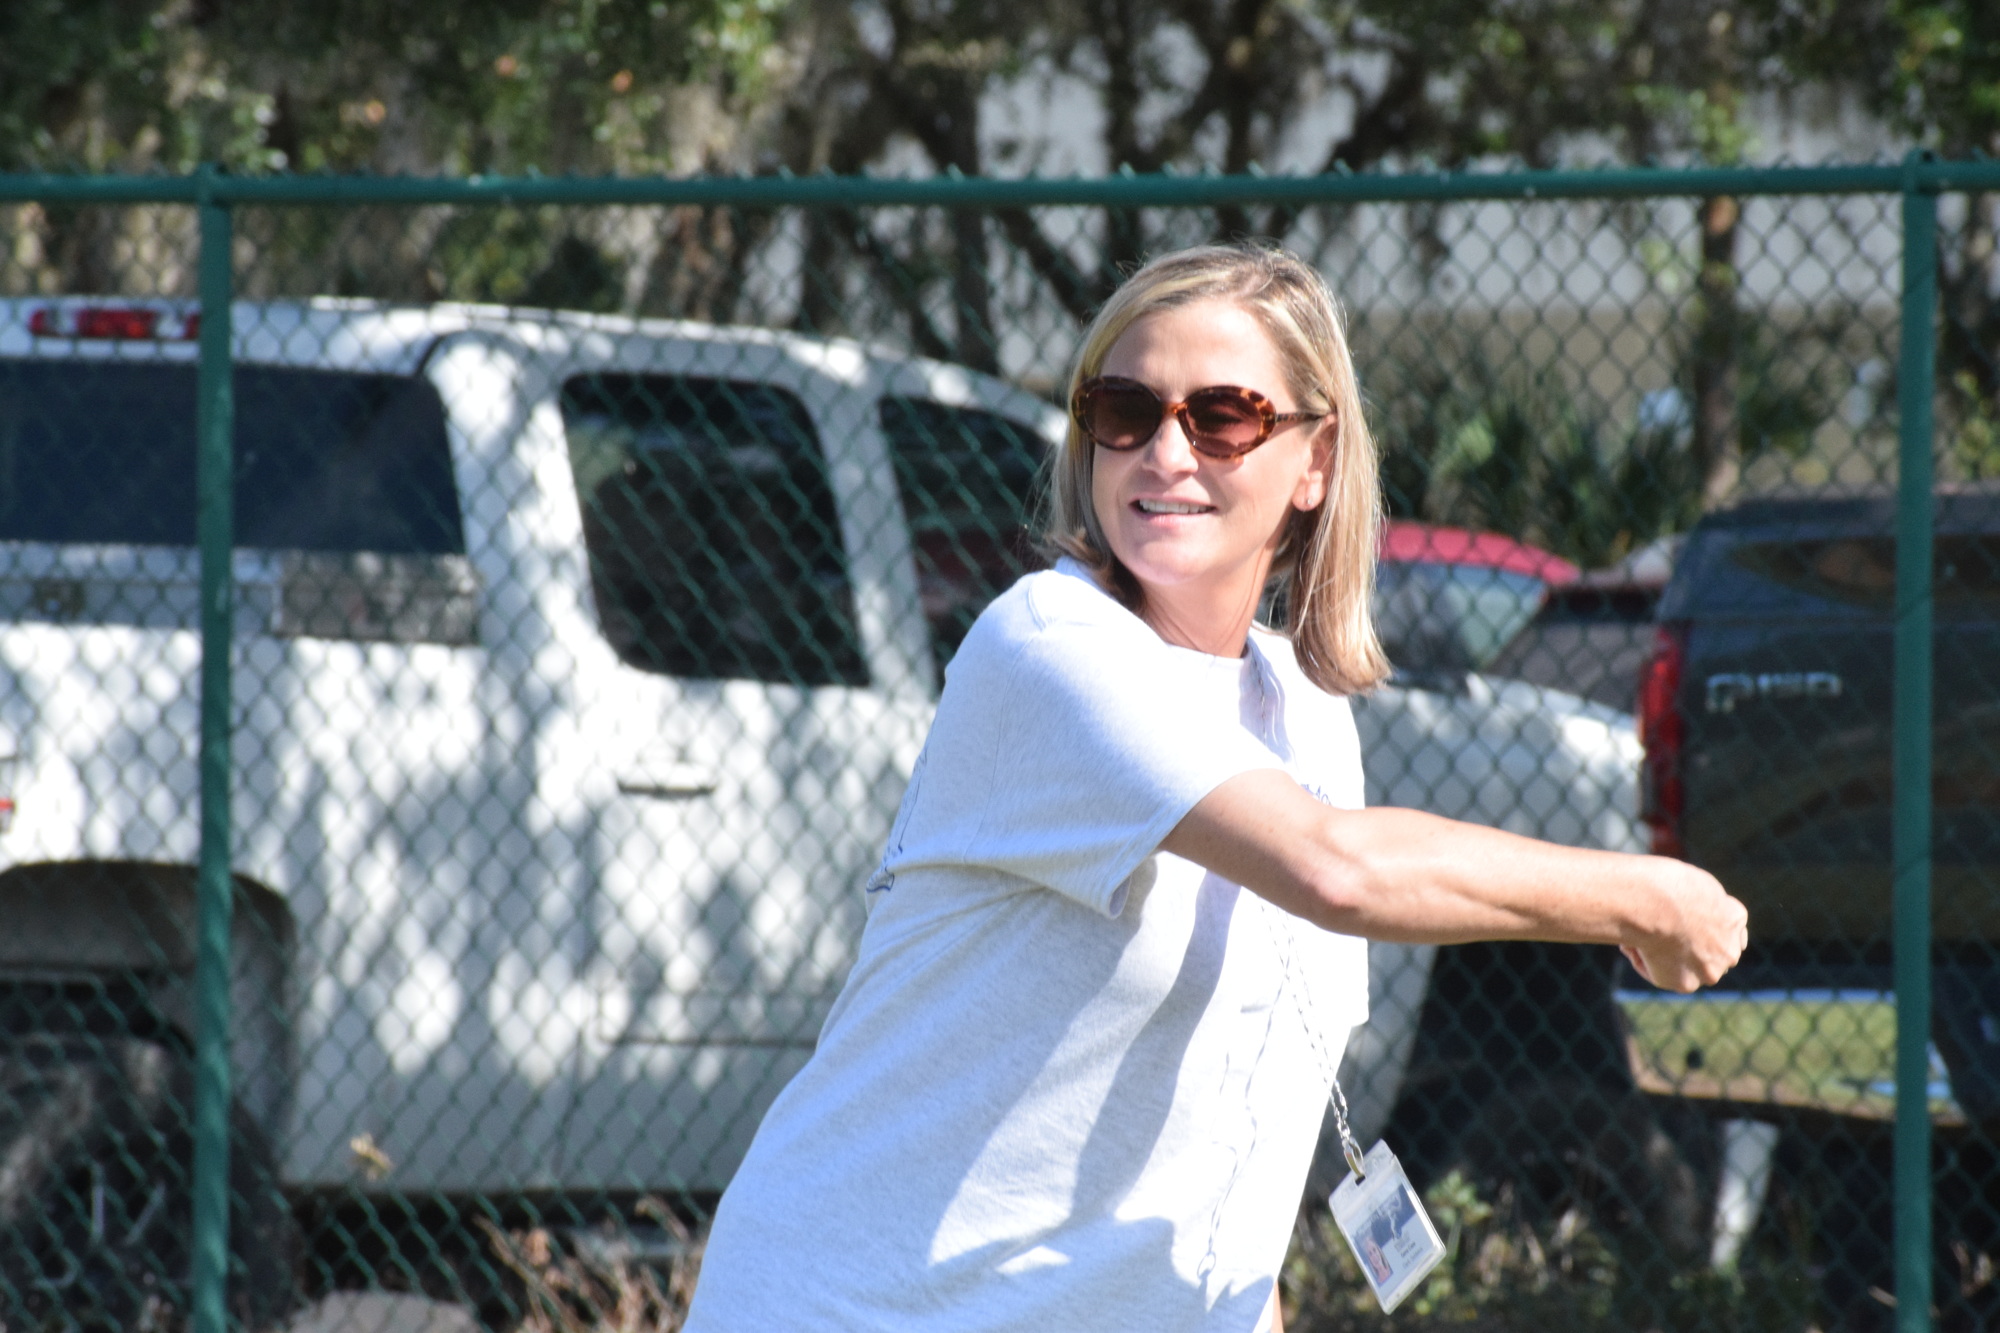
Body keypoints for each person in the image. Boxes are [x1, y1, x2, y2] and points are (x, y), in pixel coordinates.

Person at [681, 243, 1747, 1333]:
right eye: (1125, 409)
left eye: (1223, 416)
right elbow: (1333, 869)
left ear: (1314, 459)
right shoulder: (1048, 648)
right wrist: (1643, 895)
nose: (1164, 451)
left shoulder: (1302, 710)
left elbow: (1242, 1121)